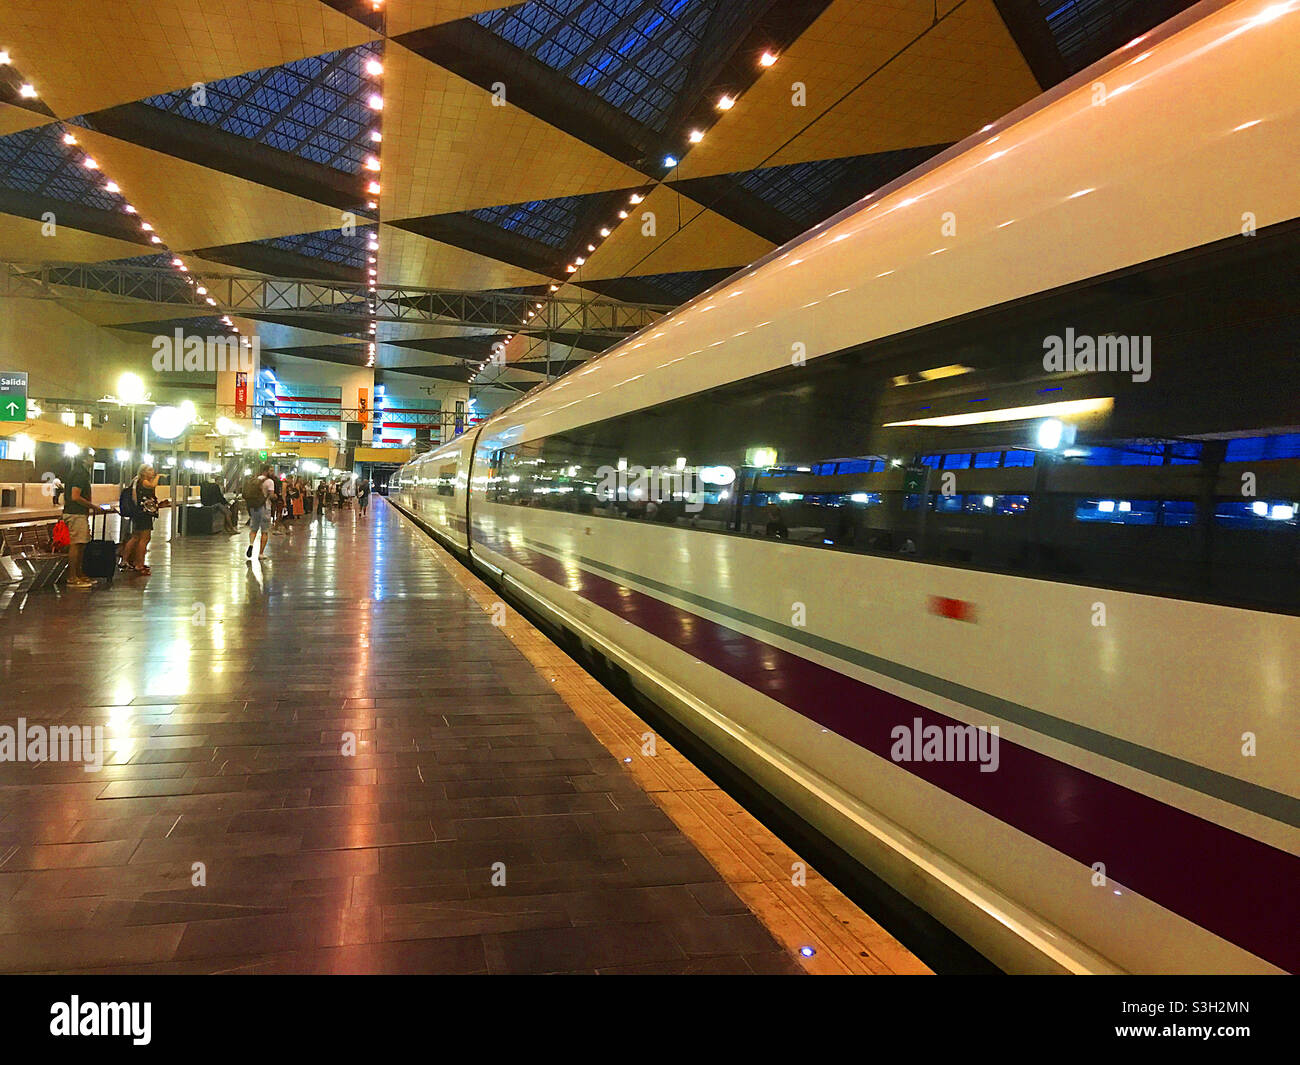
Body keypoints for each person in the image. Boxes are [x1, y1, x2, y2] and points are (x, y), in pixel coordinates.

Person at [62, 450, 110, 588]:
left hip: (77, 513)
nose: (93, 459)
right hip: (75, 513)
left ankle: (79, 574)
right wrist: (94, 507)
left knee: (81, 544)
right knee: (76, 544)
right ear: (84, 459)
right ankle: (72, 577)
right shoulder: (79, 474)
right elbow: (75, 496)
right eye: (91, 457)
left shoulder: (79, 472)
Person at [121, 464, 167, 575]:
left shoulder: (136, 482)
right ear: (143, 472)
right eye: (150, 470)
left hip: (138, 513)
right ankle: (139, 564)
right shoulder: (144, 481)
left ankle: (125, 560)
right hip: (143, 514)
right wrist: (158, 477)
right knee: (145, 539)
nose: (153, 472)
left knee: (136, 537)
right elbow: (152, 486)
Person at [244, 464, 276, 560]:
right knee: (264, 531)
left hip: (254, 507)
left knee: (253, 529)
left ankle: (251, 544)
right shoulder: (269, 481)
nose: (272, 472)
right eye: (271, 470)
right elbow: (271, 496)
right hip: (264, 507)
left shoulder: (255, 480)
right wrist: (275, 497)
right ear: (266, 471)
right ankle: (261, 554)